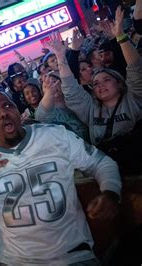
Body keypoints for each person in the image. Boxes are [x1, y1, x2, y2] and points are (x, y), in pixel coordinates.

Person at [0, 90, 122, 265]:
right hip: (14, 260)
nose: (3, 113)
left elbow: (101, 163)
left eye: (7, 105)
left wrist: (111, 192)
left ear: (18, 111)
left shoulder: (55, 135)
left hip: (71, 255)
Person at [46, 8, 142, 173]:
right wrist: (61, 58)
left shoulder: (134, 98)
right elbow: (71, 89)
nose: (100, 85)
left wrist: (120, 36)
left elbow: (135, 68)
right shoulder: (91, 109)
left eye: (106, 80)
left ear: (119, 83)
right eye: (96, 83)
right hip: (108, 173)